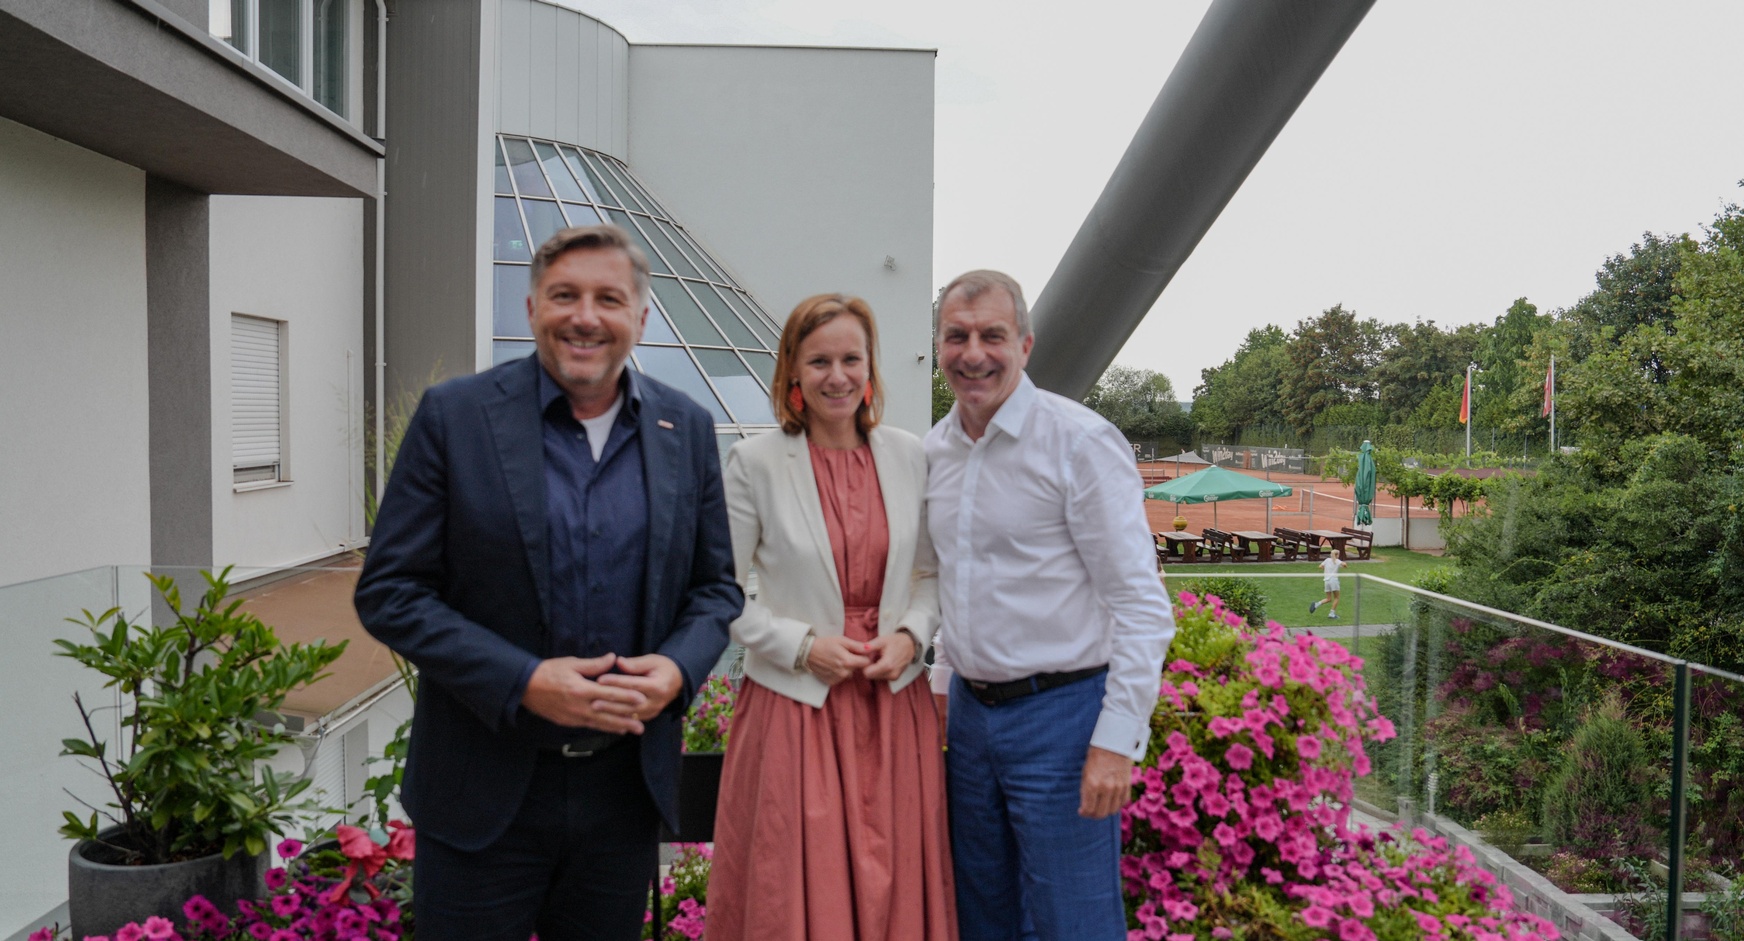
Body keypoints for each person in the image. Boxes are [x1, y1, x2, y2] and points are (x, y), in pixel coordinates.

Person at [353, 224, 741, 941]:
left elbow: (715, 588)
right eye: (565, 295)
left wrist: (677, 669)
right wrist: (525, 679)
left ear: (641, 317)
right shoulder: (455, 417)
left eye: (608, 298)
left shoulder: (684, 427)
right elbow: (390, 591)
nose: (586, 316)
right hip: (483, 791)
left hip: (623, 795)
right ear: (532, 307)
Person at [927, 270, 1176, 941]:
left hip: (1063, 720)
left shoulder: (1080, 443)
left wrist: (1116, 741)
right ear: (939, 345)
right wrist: (943, 688)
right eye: (957, 335)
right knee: (983, 918)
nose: (972, 352)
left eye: (992, 335)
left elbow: (1143, 606)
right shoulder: (934, 453)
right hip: (973, 724)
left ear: (1025, 344)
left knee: (1076, 921)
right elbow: (956, 583)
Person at [708, 294, 956, 941]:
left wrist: (910, 636)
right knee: (791, 893)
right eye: (819, 360)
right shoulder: (752, 464)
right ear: (792, 370)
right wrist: (801, 646)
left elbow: (930, 575)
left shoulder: (910, 455)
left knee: (897, 886)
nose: (837, 375)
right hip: (797, 711)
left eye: (851, 358)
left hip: (893, 704)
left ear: (871, 367)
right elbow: (719, 591)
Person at [1311, 552, 1347, 618]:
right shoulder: (1337, 561)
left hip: (1326, 581)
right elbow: (1344, 565)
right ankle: (1331, 614)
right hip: (1334, 580)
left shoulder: (1327, 560)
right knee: (1337, 597)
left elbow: (1320, 566)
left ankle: (1316, 605)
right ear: (1336, 555)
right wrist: (1345, 564)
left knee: (1328, 598)